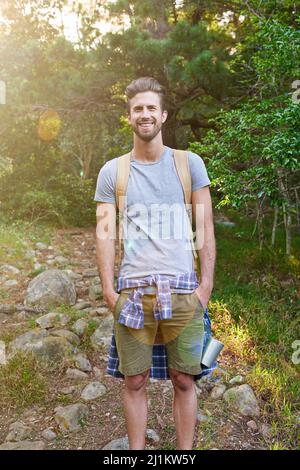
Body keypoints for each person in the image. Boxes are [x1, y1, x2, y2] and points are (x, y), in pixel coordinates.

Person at [94, 77, 216, 450]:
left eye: (151, 108)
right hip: (132, 294)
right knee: (134, 380)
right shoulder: (112, 172)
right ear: (128, 116)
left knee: (184, 379)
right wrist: (109, 291)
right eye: (137, 109)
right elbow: (104, 233)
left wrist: (205, 287)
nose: (144, 114)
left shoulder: (188, 163)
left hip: (182, 291)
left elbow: (205, 227)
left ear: (163, 115)